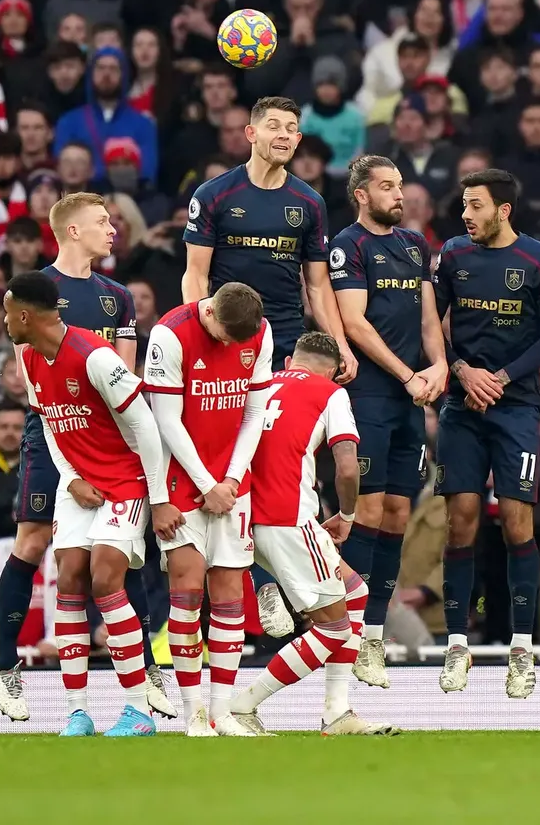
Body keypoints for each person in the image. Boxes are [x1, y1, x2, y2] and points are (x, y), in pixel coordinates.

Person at [0, 193, 161, 724]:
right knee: (34, 542)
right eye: (102, 222)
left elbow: (125, 378)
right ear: (72, 231)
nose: (113, 230)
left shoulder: (118, 297)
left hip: (111, 436)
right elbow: (32, 381)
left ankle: (146, 668)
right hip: (55, 430)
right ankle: (5, 665)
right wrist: (75, 467)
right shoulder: (33, 291)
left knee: (120, 551)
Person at [432, 169, 540, 698]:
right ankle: (457, 645)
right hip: (461, 404)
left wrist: (502, 378)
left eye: (475, 206)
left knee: (517, 523)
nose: (465, 215)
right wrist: (461, 370)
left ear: (503, 210)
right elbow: (430, 325)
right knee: (461, 521)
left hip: (516, 407)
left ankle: (521, 648)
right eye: (464, 206)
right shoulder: (453, 255)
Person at [220, 333, 396, 736]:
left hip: (241, 515)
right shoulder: (330, 393)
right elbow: (347, 467)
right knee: (333, 628)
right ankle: (243, 706)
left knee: (355, 593)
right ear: (333, 371)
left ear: (290, 360)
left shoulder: (259, 383)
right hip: (288, 519)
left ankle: (338, 712)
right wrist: (347, 515)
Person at [327, 154, 445, 688]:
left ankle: (373, 633)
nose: (399, 195)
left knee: (398, 511)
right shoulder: (347, 246)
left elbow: (427, 317)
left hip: (410, 396)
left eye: (400, 186)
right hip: (370, 393)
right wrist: (407, 374)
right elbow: (354, 323)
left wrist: (438, 365)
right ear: (361, 194)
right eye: (388, 187)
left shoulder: (415, 245)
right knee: (368, 511)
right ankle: (349, 633)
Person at [141, 281, 275, 735]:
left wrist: (231, 480)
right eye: (224, 338)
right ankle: (193, 710)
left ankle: (221, 711)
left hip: (232, 483)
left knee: (230, 594)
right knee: (187, 590)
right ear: (211, 312)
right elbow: (166, 420)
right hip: (180, 481)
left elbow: (254, 413)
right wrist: (206, 484)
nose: (230, 347)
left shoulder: (260, 332)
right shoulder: (169, 334)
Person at [183, 96, 355, 382]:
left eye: (291, 129)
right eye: (273, 126)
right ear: (251, 133)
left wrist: (340, 343)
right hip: (227, 331)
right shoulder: (212, 194)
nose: (283, 135)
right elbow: (195, 274)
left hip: (286, 338)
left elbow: (317, 284)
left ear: (297, 140)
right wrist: (201, 333)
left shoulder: (310, 202)